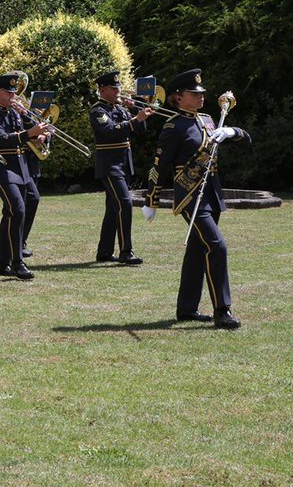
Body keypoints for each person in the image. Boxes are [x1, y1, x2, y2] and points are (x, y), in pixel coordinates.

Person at [146, 68, 251, 329]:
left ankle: (187, 308)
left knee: (197, 250)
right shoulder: (173, 126)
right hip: (190, 196)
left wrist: (230, 132)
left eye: (201, 93)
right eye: (194, 93)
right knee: (217, 246)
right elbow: (159, 165)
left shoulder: (207, 120)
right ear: (179, 97)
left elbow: (246, 139)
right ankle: (222, 310)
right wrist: (152, 201)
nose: (201, 97)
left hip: (211, 194)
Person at [0, 72, 49, 280]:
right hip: (3, 167)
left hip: (21, 167)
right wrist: (29, 134)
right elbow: (0, 139)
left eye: (14, 92)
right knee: (17, 210)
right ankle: (16, 261)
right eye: (9, 93)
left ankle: (2, 264)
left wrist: (40, 137)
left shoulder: (16, 112)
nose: (13, 96)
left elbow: (28, 134)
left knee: (28, 202)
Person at [90, 70, 154, 265]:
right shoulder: (98, 110)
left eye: (118, 86)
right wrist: (135, 119)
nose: (118, 90)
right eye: (114, 87)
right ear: (103, 90)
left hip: (124, 163)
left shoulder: (119, 108)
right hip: (110, 165)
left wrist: (136, 111)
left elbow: (140, 130)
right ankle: (126, 251)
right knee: (125, 203)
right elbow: (111, 131)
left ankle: (104, 252)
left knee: (112, 208)